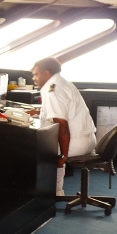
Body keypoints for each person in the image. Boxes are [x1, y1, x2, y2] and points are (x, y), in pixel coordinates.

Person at [30, 57, 96, 196]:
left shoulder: (52, 92)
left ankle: (51, 194)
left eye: (36, 74)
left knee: (40, 150)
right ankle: (56, 192)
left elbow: (62, 125)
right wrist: (37, 112)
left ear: (46, 73)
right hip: (89, 140)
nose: (33, 78)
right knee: (49, 146)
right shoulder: (63, 83)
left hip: (76, 143)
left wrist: (64, 156)